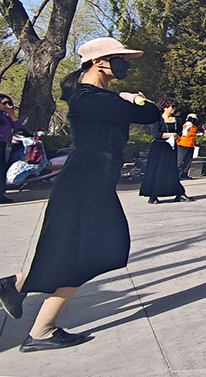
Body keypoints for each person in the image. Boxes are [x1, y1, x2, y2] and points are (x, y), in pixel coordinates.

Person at [0, 37, 158, 351]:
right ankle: (37, 323)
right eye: (119, 59)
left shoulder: (93, 96)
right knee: (92, 252)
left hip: (88, 181)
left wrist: (124, 97)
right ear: (99, 61)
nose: (124, 65)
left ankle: (21, 290)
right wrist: (134, 98)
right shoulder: (93, 99)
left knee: (75, 250)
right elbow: (150, 114)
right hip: (86, 182)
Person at [140, 98, 191, 204]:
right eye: (172, 106)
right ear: (165, 107)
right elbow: (155, 134)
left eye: (175, 107)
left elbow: (180, 133)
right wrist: (170, 134)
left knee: (172, 170)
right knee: (157, 170)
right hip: (159, 147)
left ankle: (179, 193)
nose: (174, 109)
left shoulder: (178, 120)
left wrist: (183, 132)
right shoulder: (157, 120)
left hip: (171, 148)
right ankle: (153, 195)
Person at [0, 93, 23, 203]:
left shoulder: (6, 117)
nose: (7, 105)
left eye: (9, 103)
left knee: (1, 169)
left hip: (3, 145)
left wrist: (11, 113)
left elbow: (18, 126)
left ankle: (1, 194)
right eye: (4, 103)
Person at [177, 113, 198, 179]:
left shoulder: (193, 127)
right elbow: (183, 133)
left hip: (190, 145)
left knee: (188, 161)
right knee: (179, 161)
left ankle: (184, 174)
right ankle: (177, 175)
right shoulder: (187, 125)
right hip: (183, 144)